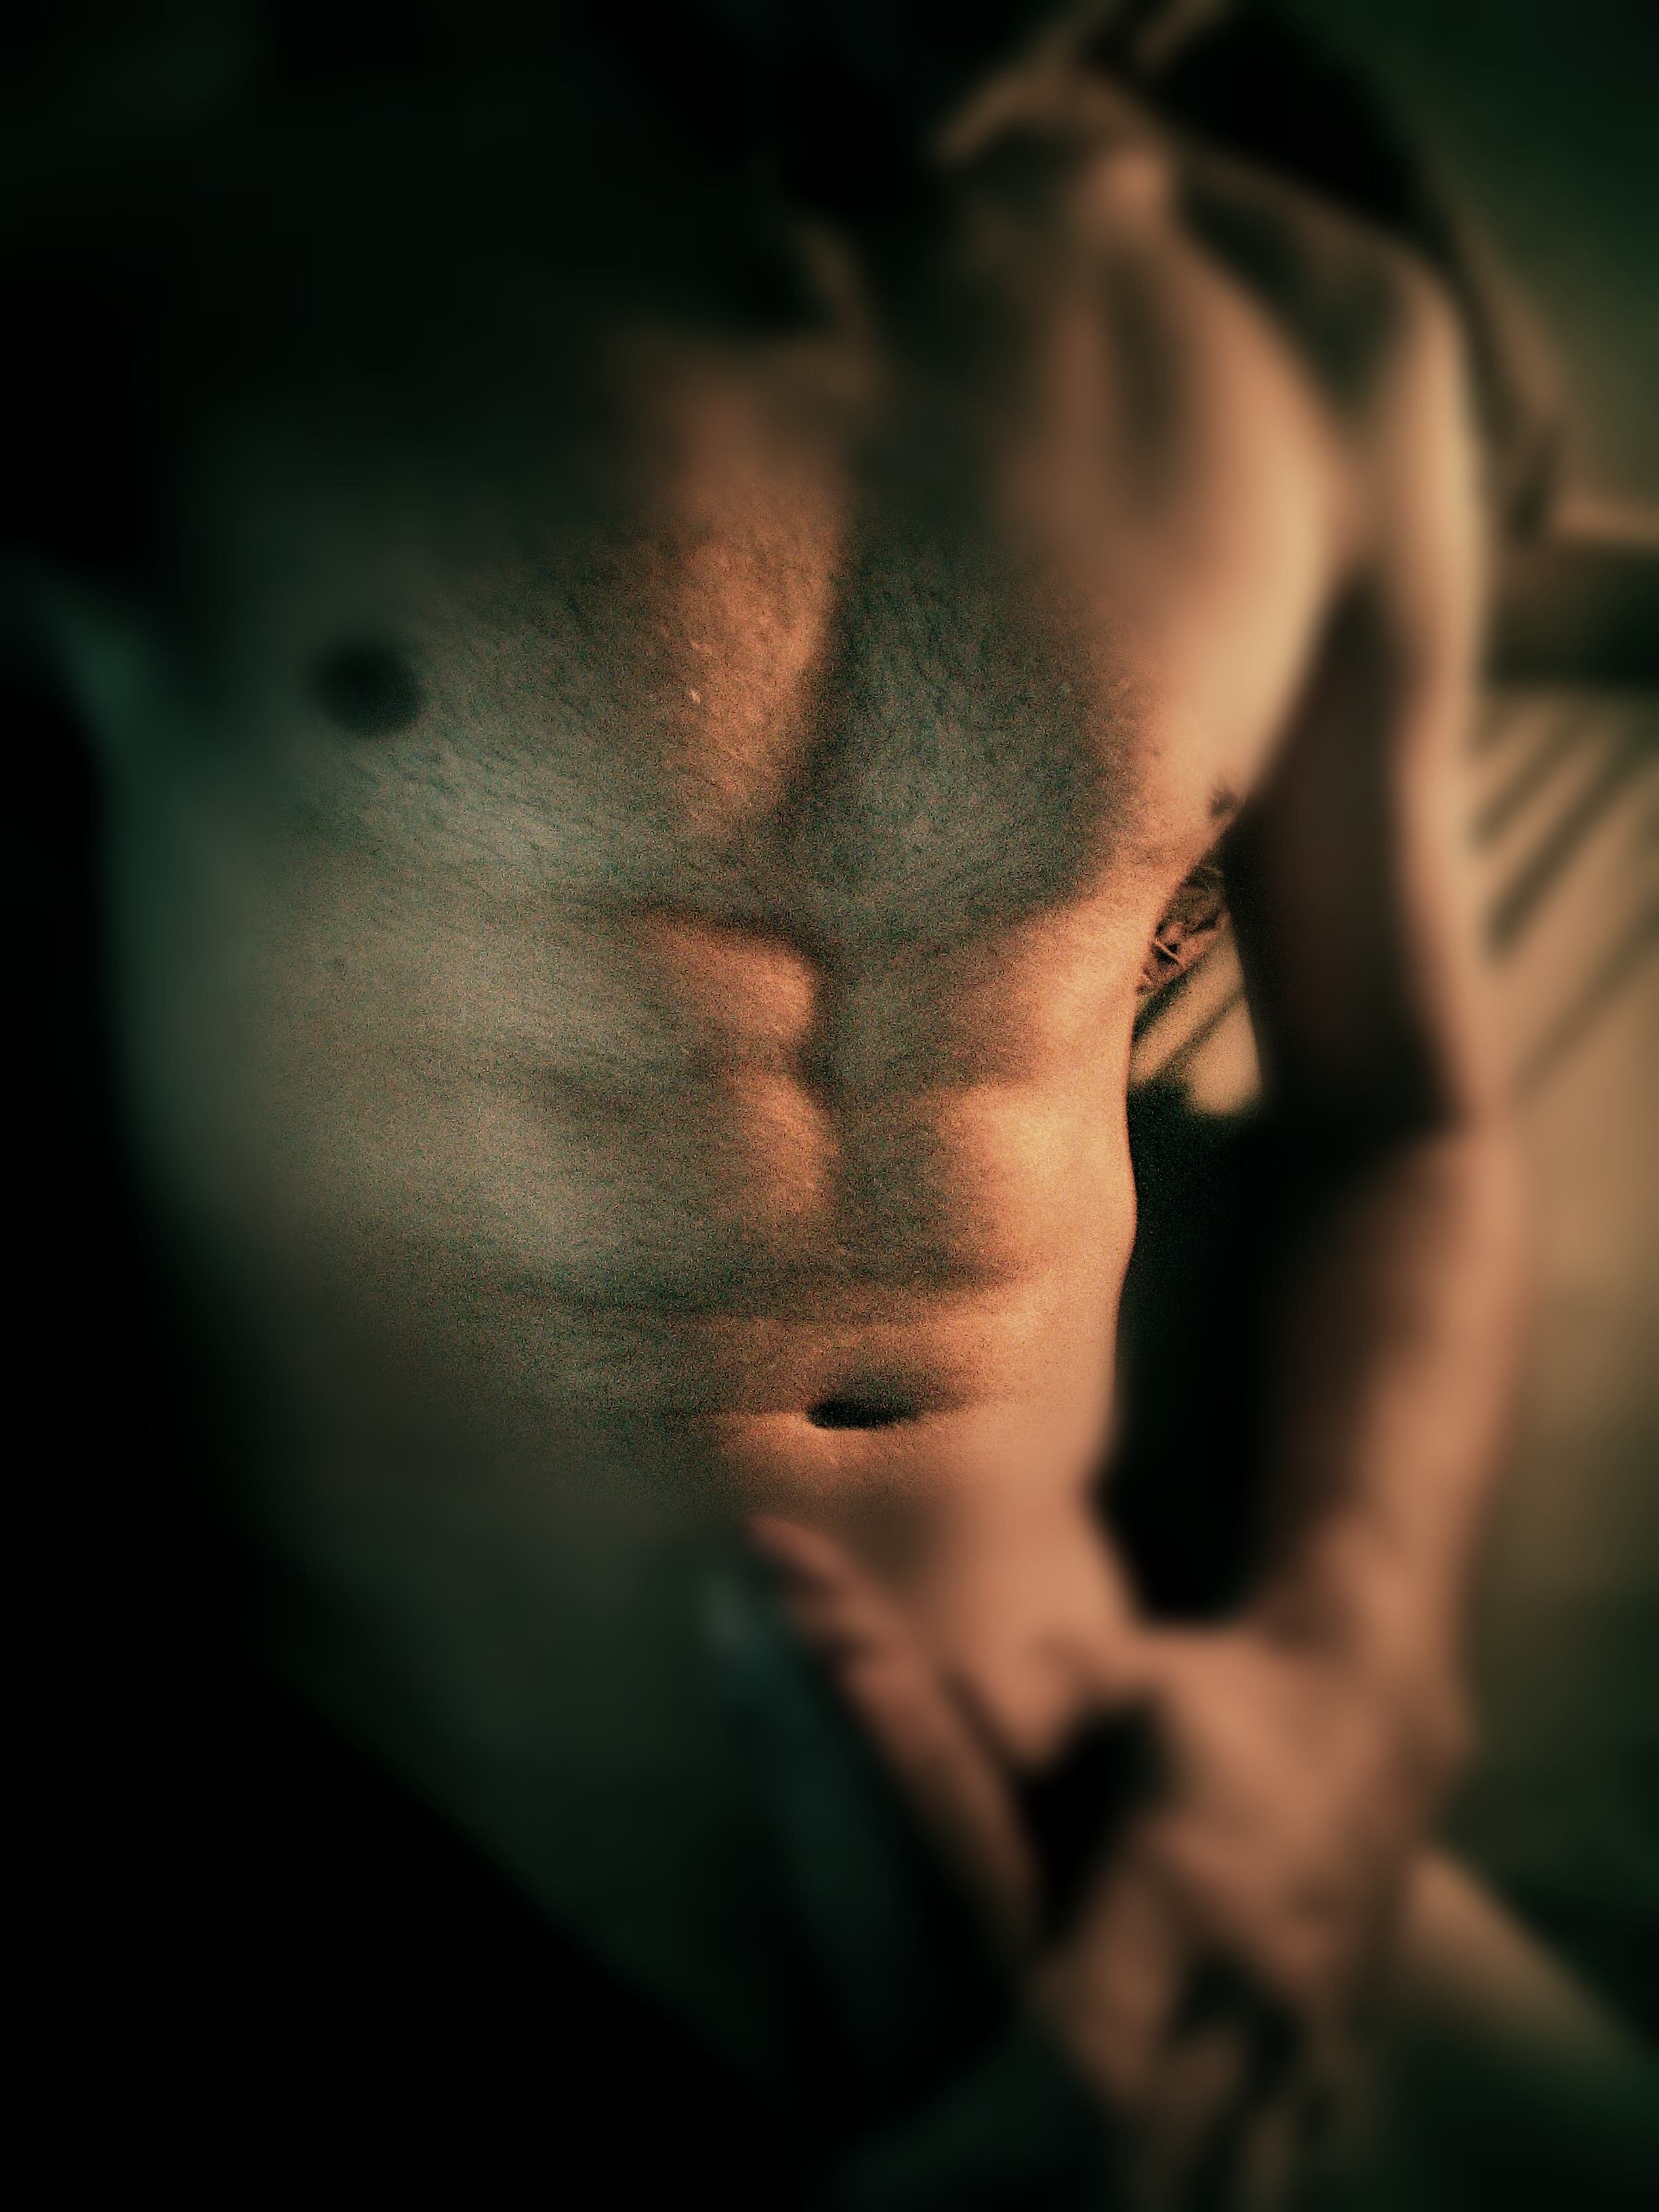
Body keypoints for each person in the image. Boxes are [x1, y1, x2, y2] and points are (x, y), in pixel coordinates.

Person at [5, 3, 1653, 2202]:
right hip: (395, 1876)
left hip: (1102, 1835)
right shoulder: (157, 190)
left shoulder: (1320, 329)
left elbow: (1413, 1126)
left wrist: (1350, 1700)